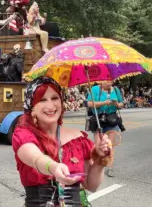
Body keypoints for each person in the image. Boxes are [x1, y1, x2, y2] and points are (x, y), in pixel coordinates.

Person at [12, 77, 112, 207]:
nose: (50, 106)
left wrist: (100, 159)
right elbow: (36, 158)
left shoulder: (78, 138)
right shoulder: (23, 135)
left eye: (55, 98)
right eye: (42, 100)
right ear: (32, 108)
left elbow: (91, 185)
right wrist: (54, 168)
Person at [87, 81, 124, 178]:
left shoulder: (115, 89)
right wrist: (104, 102)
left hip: (112, 119)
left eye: (111, 81)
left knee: (110, 144)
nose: (109, 83)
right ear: (101, 81)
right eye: (107, 81)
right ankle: (97, 166)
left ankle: (110, 168)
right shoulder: (95, 89)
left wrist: (116, 103)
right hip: (98, 119)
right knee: (98, 145)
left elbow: (121, 104)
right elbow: (90, 104)